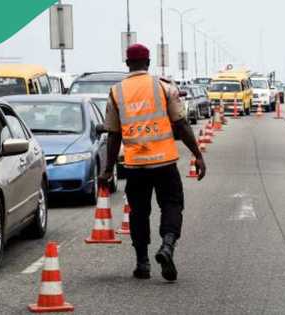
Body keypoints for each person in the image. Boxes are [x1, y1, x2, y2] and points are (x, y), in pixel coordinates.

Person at [99, 43, 206, 282]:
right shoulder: (163, 87)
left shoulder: (116, 92)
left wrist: (107, 169)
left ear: (127, 64)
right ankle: (167, 246)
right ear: (148, 63)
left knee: (138, 212)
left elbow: (113, 134)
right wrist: (197, 154)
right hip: (165, 162)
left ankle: (142, 263)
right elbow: (181, 123)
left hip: (135, 164)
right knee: (172, 204)